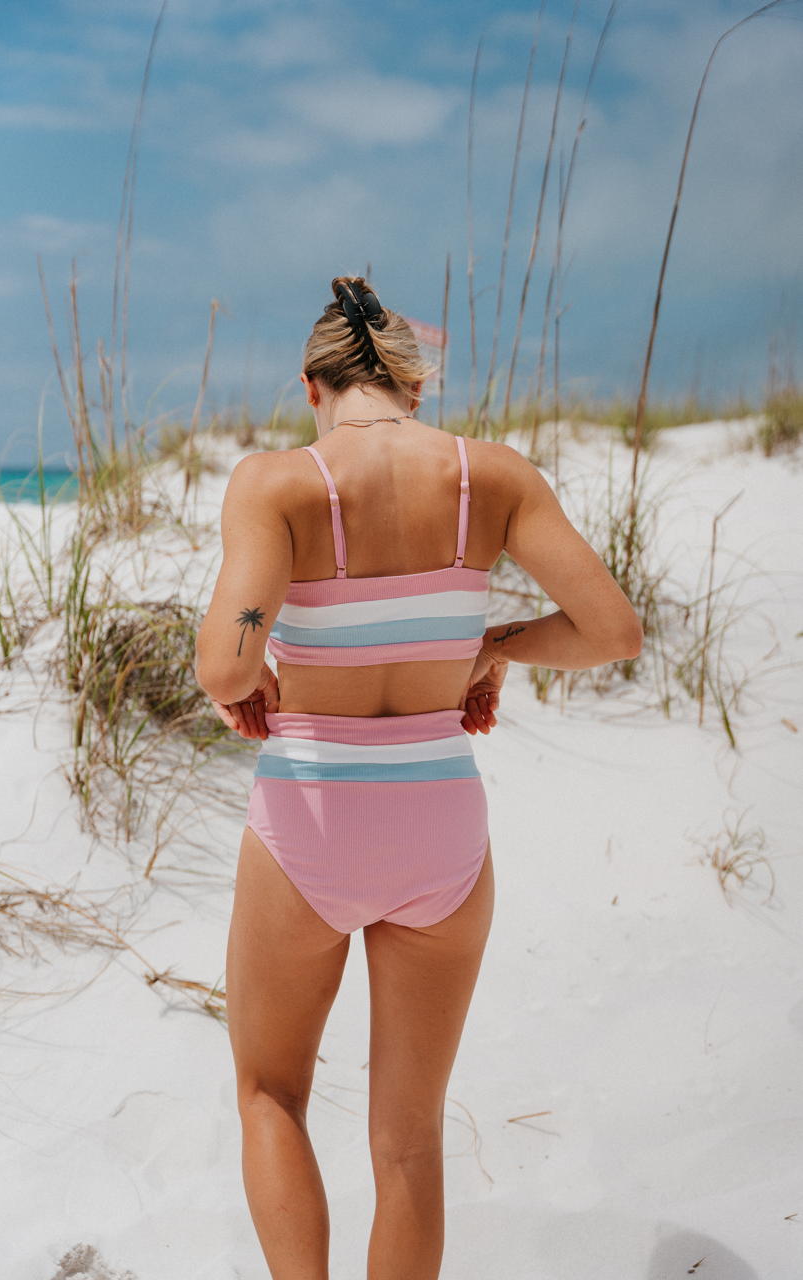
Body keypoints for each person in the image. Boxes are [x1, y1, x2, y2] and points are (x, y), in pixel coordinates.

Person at [195, 276, 642, 1280]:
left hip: (310, 817)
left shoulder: (276, 482)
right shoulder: (493, 477)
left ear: (311, 387)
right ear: (410, 385)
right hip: (440, 820)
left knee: (271, 1093)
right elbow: (610, 631)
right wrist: (494, 644)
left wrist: (246, 685)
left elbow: (223, 664)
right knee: (406, 1139)